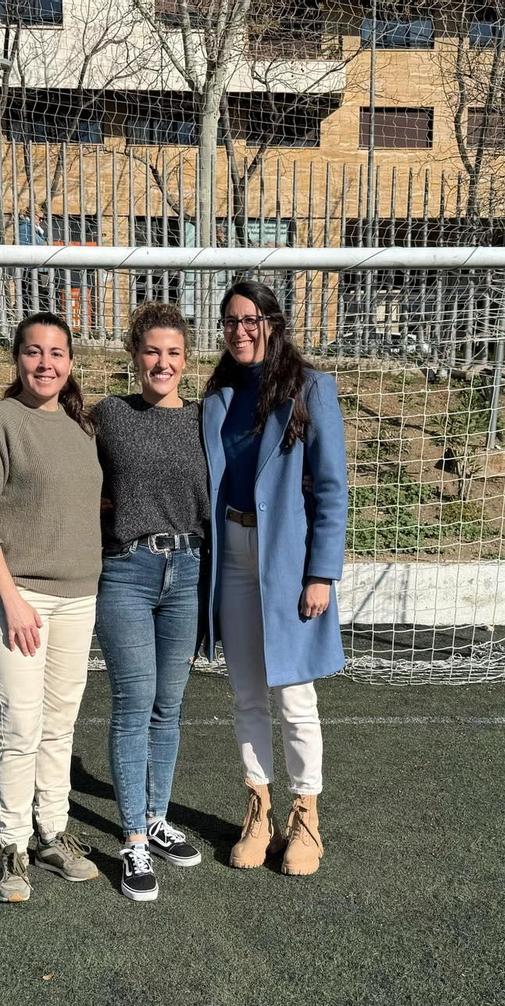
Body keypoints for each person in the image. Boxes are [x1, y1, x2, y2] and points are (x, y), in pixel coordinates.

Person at [199, 280, 349, 877]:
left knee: (293, 693)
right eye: (230, 320)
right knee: (246, 693)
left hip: (286, 559)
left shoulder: (312, 388)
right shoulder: (215, 393)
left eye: (250, 319)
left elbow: (333, 491)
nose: (239, 330)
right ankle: (257, 811)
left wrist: (321, 573)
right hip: (231, 553)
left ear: (272, 322)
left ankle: (305, 815)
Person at [0, 312, 102, 903]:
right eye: (35, 352)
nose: (46, 364)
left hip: (78, 598)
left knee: (59, 724)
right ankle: (12, 843)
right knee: (19, 722)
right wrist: (11, 597)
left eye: (57, 353)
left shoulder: (81, 427)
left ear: (71, 362)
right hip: (16, 599)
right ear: (17, 358)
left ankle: (54, 833)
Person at [94, 302, 209, 902]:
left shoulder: (204, 420)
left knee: (169, 706)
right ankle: (133, 839)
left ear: (187, 360)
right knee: (134, 704)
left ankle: (159, 818)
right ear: (134, 356)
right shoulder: (109, 415)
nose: (162, 362)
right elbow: (77, 484)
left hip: (188, 573)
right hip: (128, 574)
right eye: (151, 351)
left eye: (173, 352)